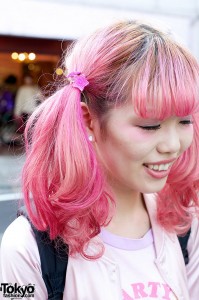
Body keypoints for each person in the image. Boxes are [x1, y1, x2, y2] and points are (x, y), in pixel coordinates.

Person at [1, 20, 199, 300]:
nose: (172, 145)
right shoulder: (27, 248)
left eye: (185, 120)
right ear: (88, 120)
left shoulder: (184, 224)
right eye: (150, 126)